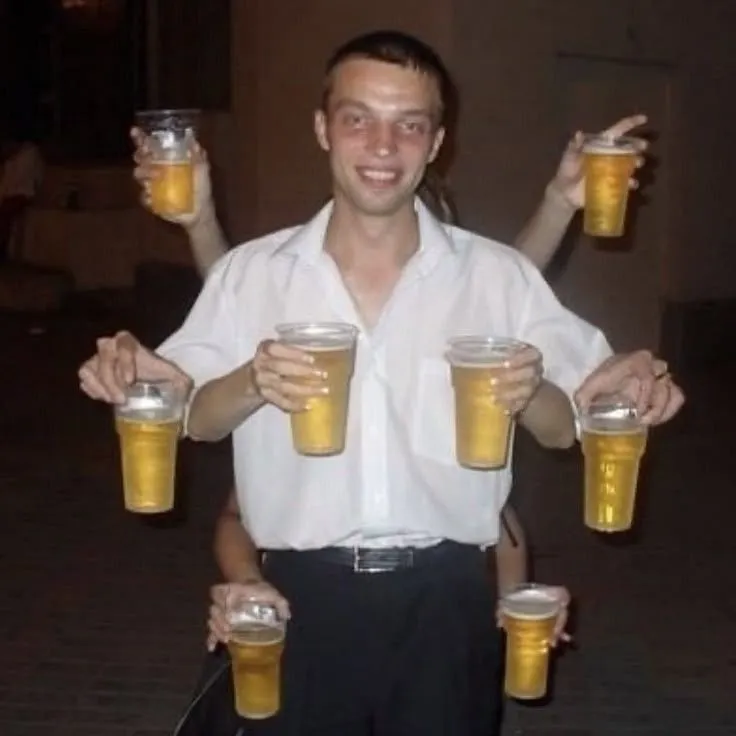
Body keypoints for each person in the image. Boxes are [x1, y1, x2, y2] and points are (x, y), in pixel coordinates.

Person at [80, 30, 684, 736]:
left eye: (409, 124)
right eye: (358, 118)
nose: (382, 145)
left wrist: (638, 383)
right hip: (299, 598)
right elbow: (195, 415)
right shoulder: (254, 274)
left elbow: (573, 421)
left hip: (448, 599)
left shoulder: (497, 277)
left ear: (436, 144)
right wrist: (234, 378)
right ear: (323, 129)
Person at [0, 129, 44, 261]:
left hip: (25, 193)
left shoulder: (29, 154)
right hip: (11, 194)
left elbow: (24, 181)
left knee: (4, 213)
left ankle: (2, 248)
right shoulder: (10, 160)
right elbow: (6, 183)